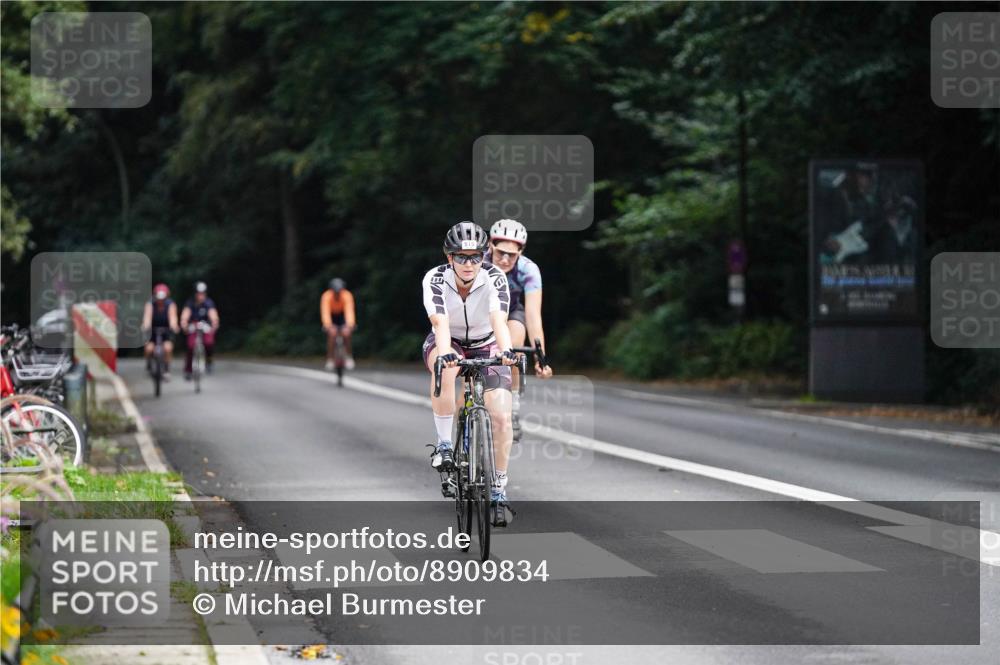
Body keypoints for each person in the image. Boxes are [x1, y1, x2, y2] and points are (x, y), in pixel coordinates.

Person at [422, 221, 517, 525]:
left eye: (475, 256)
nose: (468, 263)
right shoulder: (435, 279)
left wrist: (506, 351)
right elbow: (440, 324)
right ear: (449, 257)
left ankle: (499, 490)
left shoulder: (494, 277)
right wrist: (448, 353)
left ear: (483, 256)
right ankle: (445, 445)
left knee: (502, 416)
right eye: (461, 257)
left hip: (487, 343)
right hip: (448, 341)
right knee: (445, 367)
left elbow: (499, 320)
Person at [486, 219, 554, 442]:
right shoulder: (477, 264)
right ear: (490, 246)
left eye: (512, 255)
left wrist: (540, 358)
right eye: (500, 253)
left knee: (513, 353)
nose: (505, 260)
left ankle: (512, 408)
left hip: (512, 311)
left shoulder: (528, 270)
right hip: (481, 314)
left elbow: (533, 316)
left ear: (521, 253)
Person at [180, 281, 220, 380]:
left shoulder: (208, 303)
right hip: (193, 325)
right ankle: (188, 369)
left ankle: (209, 361)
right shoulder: (190, 302)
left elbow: (213, 315)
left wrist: (214, 323)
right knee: (190, 346)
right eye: (199, 293)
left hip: (205, 324)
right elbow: (185, 315)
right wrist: (184, 323)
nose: (201, 295)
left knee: (209, 342)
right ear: (195, 293)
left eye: (203, 293)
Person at [141, 283, 179, 380]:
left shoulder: (170, 304)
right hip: (153, 331)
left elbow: (173, 317)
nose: (160, 301)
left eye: (163, 298)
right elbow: (147, 317)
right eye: (159, 298)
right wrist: (145, 326)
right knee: (149, 349)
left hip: (166, 331)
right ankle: (149, 364)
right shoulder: (150, 304)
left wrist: (174, 326)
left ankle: (166, 369)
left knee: (168, 348)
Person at [320, 277, 356, 371]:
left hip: (342, 315)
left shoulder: (347, 295)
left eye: (339, 292)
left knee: (346, 334)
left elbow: (349, 311)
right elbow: (325, 312)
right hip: (332, 316)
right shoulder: (326, 296)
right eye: (335, 292)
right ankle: (330, 359)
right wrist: (327, 325)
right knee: (332, 335)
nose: (337, 294)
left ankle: (349, 357)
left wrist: (350, 325)